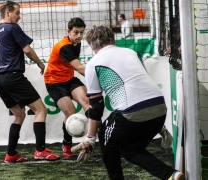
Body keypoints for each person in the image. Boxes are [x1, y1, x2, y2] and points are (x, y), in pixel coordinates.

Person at [74, 25, 184, 180]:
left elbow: (97, 106)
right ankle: (171, 175)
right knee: (130, 150)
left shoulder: (93, 63)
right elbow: (142, 87)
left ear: (92, 46)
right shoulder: (132, 53)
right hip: (160, 109)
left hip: (132, 111)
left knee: (105, 137)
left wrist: (90, 139)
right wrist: (161, 127)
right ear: (112, 39)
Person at [0, 1, 60, 163]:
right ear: (7, 12)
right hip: (13, 76)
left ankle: (11, 154)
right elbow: (26, 49)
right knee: (40, 110)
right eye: (17, 13)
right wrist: (41, 63)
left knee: (19, 114)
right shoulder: (12, 28)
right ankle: (40, 150)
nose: (19, 17)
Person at [44, 17, 89, 158]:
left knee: (88, 103)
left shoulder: (77, 42)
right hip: (54, 82)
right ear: (68, 31)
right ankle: (67, 144)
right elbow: (81, 69)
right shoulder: (64, 46)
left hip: (69, 79)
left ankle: (94, 138)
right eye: (76, 32)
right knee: (71, 114)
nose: (79, 36)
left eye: (82, 32)